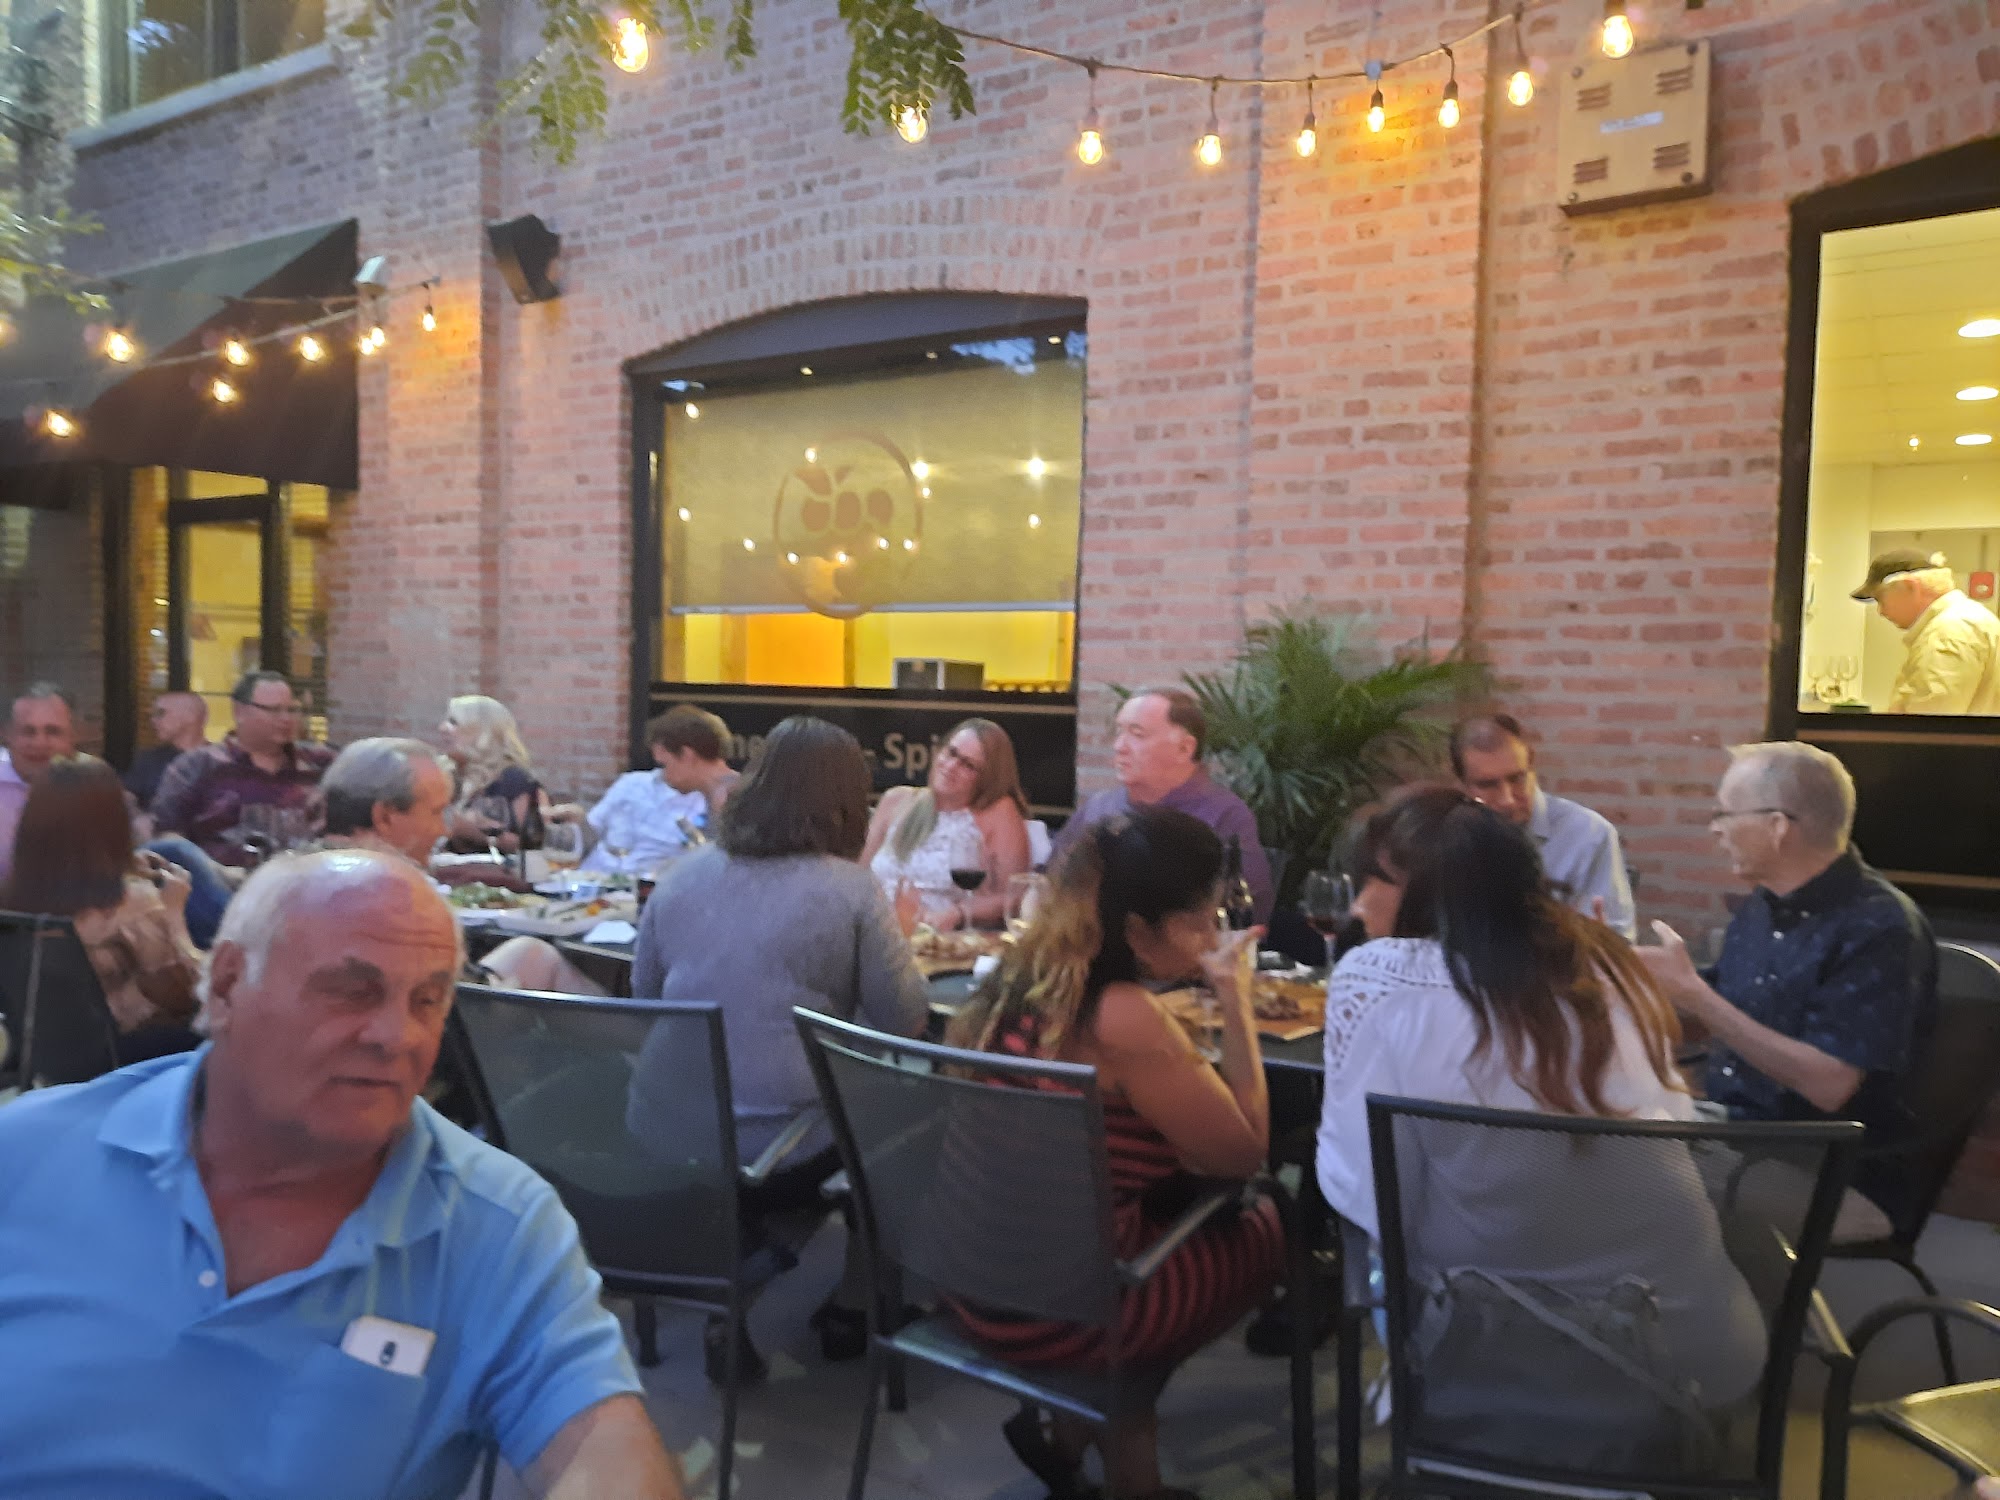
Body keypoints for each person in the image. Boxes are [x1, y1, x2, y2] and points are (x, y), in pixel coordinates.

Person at [0, 849, 685, 1498]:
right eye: (352, 992)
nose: (398, 1036)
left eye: (427, 1000)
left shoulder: (491, 1223)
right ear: (230, 982)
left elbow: (601, 1443)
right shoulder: (28, 1154)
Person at [1314, 785, 1767, 1433]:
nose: (1359, 904)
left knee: (1384, 1254)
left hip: (1490, 1349)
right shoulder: (1605, 960)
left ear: (1430, 894)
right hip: (1691, 1350)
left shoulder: (1380, 979)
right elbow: (1675, 1121)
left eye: (1374, 882)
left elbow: (1368, 1190)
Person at [946, 807, 1282, 1500]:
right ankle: (1121, 1428)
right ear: (1137, 930)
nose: (1212, 935)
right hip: (1066, 1315)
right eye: (1200, 920)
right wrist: (1234, 995)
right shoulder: (1122, 1016)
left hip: (973, 1283)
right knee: (1275, 1220)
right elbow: (1244, 1154)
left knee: (1152, 1209)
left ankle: (1076, 1436)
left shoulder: (1021, 978)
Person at [628, 716, 930, 1379]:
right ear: (847, 802)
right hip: (769, 1150)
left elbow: (643, 995)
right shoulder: (849, 887)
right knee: (907, 1116)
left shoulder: (680, 875)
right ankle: (854, 1305)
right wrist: (895, 943)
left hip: (662, 1133)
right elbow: (905, 1019)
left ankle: (740, 1276)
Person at [1638, 741, 1936, 1236]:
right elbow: (1721, 1007)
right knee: (1596, 1137)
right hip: (1739, 1130)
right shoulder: (1763, 906)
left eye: (1725, 814)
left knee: (1625, 1174)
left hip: (1832, 1167)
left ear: (1777, 826)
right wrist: (1623, 979)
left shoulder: (1880, 927)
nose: (1715, 829)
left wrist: (1694, 995)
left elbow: (1829, 1085)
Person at [0, 755, 203, 1064]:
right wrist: (174, 914)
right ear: (114, 823)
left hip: (41, 1057)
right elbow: (187, 996)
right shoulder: (132, 905)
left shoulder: (13, 901)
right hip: (124, 1059)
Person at [1052, 686, 1273, 923]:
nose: (1119, 746)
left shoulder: (1223, 815)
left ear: (1184, 748)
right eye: (1119, 732)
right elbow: (1052, 880)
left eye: (1137, 734)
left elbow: (1245, 911)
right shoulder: (1100, 807)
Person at [1449, 712, 1636, 938]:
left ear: (1532, 765)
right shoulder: (1446, 836)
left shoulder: (1590, 835)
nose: (1507, 799)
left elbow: (1618, 942)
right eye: (1487, 785)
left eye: (1517, 779)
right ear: (1461, 785)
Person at [860, 717, 1032, 929]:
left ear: (987, 779)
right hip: (874, 931)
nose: (951, 766)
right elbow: (858, 875)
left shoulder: (998, 812)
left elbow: (1013, 897)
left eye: (968, 765)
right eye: (951, 753)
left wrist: (958, 913)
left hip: (941, 939)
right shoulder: (895, 799)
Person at [150, 671, 335, 866]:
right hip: (223, 879)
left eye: (292, 710)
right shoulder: (198, 766)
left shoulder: (321, 764)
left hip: (304, 876)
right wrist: (208, 872)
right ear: (240, 712)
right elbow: (167, 836)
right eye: (274, 710)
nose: (286, 719)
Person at [559, 705, 737, 875]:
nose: (664, 775)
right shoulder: (718, 792)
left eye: (665, 765)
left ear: (687, 755)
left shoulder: (728, 796)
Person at [1850, 549, 2000, 716]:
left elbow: (1931, 724)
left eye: (1880, 598)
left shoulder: (1948, 632)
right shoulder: (1968, 618)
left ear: (1910, 586)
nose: (1881, 611)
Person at [320, 738, 455, 866]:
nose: (444, 831)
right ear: (384, 817)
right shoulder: (387, 880)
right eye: (435, 812)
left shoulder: (314, 869)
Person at [439, 694, 547, 851]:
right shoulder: (442, 774)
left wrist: (471, 830)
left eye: (453, 722)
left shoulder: (513, 779)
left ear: (483, 732)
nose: (442, 728)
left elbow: (526, 845)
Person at [0, 680, 76, 884]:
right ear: (6, 735)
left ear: (73, 736)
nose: (39, 743)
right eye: (28, 731)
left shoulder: (92, 786)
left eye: (53, 731)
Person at [123, 690, 209, 813]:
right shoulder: (149, 759)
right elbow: (127, 797)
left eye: (160, 713)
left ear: (191, 716)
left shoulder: (224, 760)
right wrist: (138, 817)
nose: (153, 720)